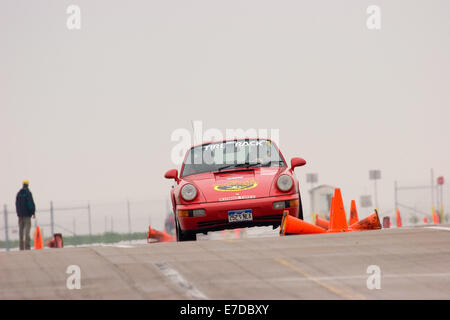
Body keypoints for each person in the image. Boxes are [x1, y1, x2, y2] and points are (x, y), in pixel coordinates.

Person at [15, 180, 36, 250]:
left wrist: (18, 213)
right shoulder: (28, 193)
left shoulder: (19, 193)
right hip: (27, 216)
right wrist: (33, 212)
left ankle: (21, 247)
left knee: (21, 231)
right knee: (27, 232)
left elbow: (16, 204)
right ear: (28, 185)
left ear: (22, 184)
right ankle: (27, 247)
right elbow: (30, 204)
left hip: (20, 216)